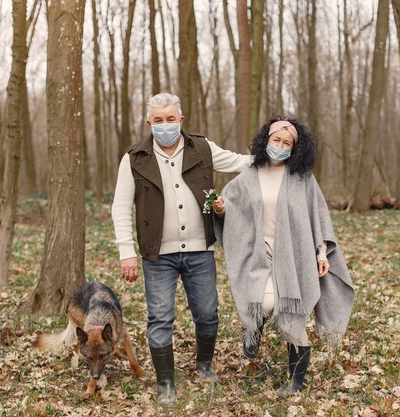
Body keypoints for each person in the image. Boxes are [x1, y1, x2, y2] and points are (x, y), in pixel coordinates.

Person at [111, 92, 251, 406]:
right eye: (158, 120)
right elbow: (120, 207)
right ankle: (166, 383)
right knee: (160, 317)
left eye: (170, 119)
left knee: (207, 313)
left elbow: (241, 163)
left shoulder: (203, 148)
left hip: (200, 250)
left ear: (181, 120)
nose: (164, 125)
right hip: (156, 254)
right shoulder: (134, 158)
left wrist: (276, 157)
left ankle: (204, 366)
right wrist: (126, 252)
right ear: (149, 123)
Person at [212, 116, 355, 395]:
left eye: (286, 143)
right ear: (266, 140)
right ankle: (252, 328)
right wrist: (220, 209)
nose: (279, 146)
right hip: (258, 253)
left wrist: (321, 253)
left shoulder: (302, 178)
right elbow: (231, 205)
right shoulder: (250, 174)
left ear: (295, 148)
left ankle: (296, 382)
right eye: (276, 140)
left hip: (293, 255)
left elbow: (317, 218)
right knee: (265, 304)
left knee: (292, 311)